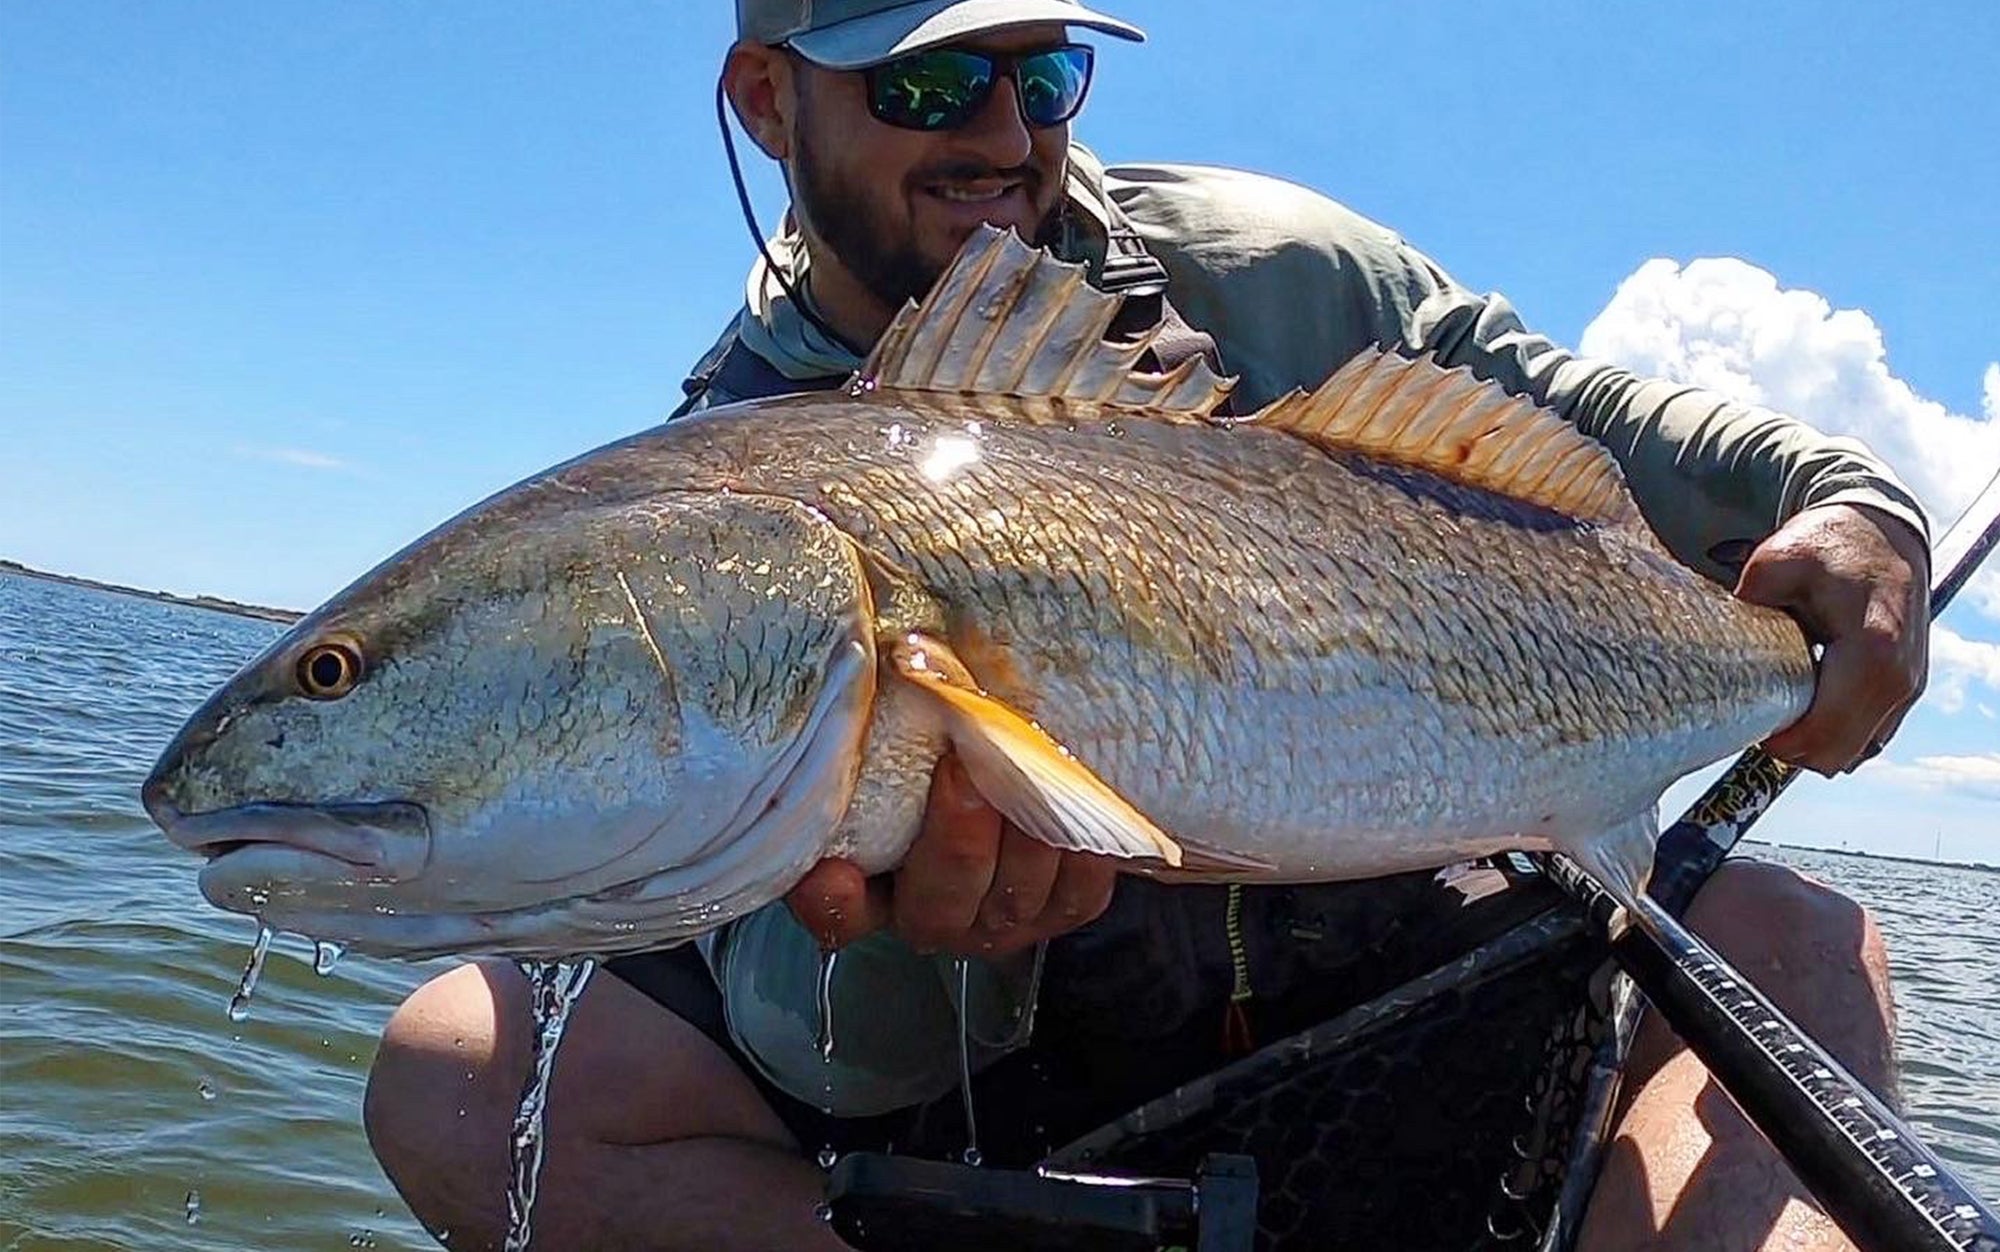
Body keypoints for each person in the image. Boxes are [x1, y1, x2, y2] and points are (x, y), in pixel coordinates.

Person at [362, 3, 1931, 1249]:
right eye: (923, 87)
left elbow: (1587, 411)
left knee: (1801, 940)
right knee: (459, 1074)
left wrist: (1856, 505)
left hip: (1387, 927)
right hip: (1024, 1061)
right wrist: (933, 952)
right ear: (769, 102)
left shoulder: (1275, 262)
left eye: (1043, 78)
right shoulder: (719, 469)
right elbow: (821, 1033)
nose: (1002, 136)